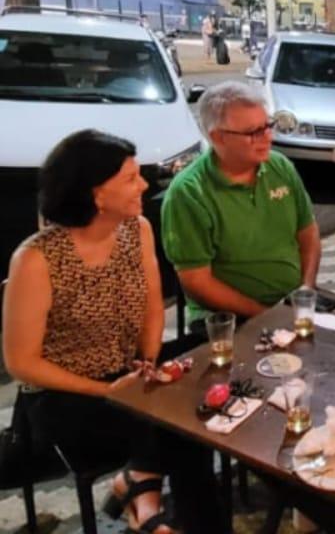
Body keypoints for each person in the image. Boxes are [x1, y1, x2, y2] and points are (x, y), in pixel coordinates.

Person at [2, 130, 221, 533]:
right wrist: (108, 390)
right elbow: (22, 363)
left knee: (211, 369)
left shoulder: (136, 229)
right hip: (65, 394)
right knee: (182, 428)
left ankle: (150, 496)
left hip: (128, 370)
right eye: (130, 178)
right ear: (95, 195)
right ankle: (157, 504)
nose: (143, 184)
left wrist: (150, 361)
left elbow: (155, 305)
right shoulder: (35, 259)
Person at [161, 82, 321, 334]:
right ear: (217, 137)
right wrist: (266, 316)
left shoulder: (280, 167)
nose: (267, 137)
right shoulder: (189, 193)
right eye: (253, 132)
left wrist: (306, 291)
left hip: (290, 304)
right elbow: (196, 281)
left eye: (267, 126)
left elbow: (308, 233)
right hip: (226, 319)